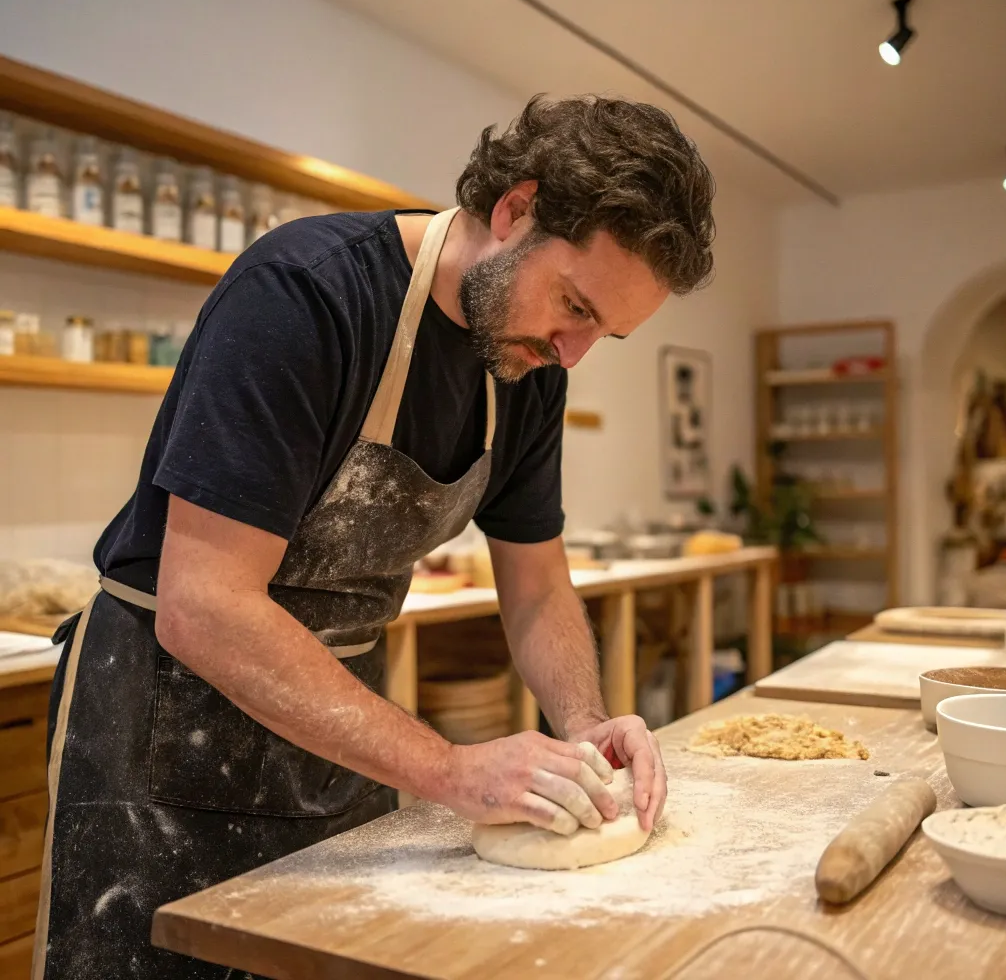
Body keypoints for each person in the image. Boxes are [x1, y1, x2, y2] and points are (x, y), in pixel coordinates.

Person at [35, 94, 716, 979]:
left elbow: (539, 587)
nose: (576, 350)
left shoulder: (527, 365)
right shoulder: (307, 294)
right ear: (516, 209)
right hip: (162, 729)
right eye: (574, 305)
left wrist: (585, 728)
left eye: (604, 332)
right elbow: (202, 606)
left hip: (336, 727)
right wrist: (450, 768)